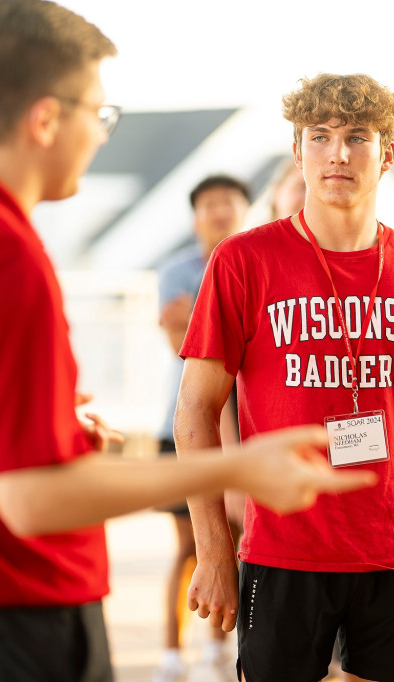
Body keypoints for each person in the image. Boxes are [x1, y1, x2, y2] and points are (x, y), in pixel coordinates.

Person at [0, 4, 374, 680]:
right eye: (99, 113)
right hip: (7, 625)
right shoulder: (0, 256)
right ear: (46, 118)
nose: (103, 135)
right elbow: (30, 497)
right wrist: (236, 468)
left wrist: (46, 424)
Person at [175, 72, 394, 682]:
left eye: (358, 137)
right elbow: (194, 411)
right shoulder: (242, 262)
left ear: (389, 154)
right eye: (318, 136)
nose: (338, 153)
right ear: (297, 151)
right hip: (282, 548)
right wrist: (213, 549)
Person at [153, 174, 251, 682]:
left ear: (244, 209)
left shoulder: (255, 264)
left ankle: (218, 648)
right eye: (209, 204)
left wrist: (197, 318)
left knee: (235, 539)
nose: (219, 212)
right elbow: (182, 341)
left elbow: (193, 327)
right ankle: (172, 652)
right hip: (183, 424)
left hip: (245, 427)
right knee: (190, 546)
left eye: (228, 203)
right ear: (195, 216)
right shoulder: (176, 271)